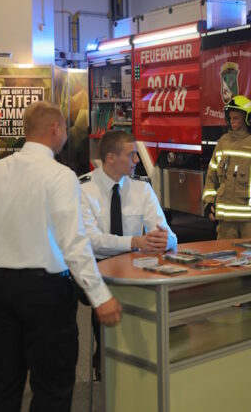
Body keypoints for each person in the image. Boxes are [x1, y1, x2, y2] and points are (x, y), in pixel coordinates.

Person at [0, 101, 122, 412]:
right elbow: (73, 242)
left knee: (3, 383)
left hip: (2, 289)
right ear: (55, 129)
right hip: (47, 294)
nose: (65, 134)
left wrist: (0, 274)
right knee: (52, 387)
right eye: (64, 128)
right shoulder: (61, 175)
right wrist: (99, 295)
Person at [79, 130, 177, 379]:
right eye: (131, 154)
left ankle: (141, 367)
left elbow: (167, 233)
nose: (136, 160)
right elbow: (92, 241)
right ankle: (106, 360)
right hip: (98, 269)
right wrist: (135, 241)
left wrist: (166, 239)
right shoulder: (83, 189)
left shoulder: (141, 190)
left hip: (135, 268)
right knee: (108, 302)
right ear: (111, 157)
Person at [202, 95, 251, 239]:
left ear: (247, 119)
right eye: (230, 118)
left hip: (250, 220)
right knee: (225, 259)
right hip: (225, 221)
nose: (232, 121)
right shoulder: (223, 143)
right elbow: (211, 177)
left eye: (236, 118)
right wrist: (208, 203)